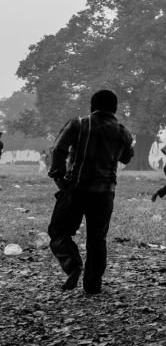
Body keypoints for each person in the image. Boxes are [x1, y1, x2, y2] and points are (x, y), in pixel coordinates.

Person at [47, 89, 134, 294]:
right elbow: (126, 158)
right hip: (105, 193)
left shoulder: (79, 124)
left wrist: (58, 175)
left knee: (59, 231)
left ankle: (73, 264)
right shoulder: (123, 132)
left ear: (92, 106)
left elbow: (58, 149)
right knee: (97, 239)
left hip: (76, 189)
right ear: (115, 108)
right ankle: (93, 285)